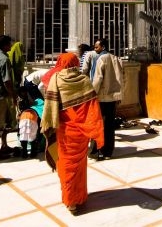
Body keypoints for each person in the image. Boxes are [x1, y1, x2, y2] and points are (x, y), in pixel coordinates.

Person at [41, 52, 104, 214]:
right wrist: (93, 127)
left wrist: (49, 126)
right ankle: (78, 197)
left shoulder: (56, 79)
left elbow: (49, 103)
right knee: (79, 165)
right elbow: (92, 107)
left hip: (65, 131)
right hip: (81, 132)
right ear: (76, 63)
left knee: (66, 164)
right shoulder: (84, 80)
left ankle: (71, 201)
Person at [90, 38, 123, 161]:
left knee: (99, 124)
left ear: (103, 47)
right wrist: (119, 95)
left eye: (97, 47)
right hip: (113, 98)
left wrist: (92, 94)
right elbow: (122, 79)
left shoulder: (101, 59)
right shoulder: (116, 58)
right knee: (109, 125)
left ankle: (100, 150)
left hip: (102, 98)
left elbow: (97, 79)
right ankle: (109, 151)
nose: (95, 49)